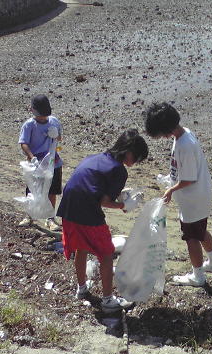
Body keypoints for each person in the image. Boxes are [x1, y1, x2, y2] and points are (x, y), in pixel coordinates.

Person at [56, 129, 148, 311]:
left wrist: (119, 196)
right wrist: (124, 206)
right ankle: (108, 300)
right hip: (87, 211)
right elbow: (104, 201)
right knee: (106, 254)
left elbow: (94, 185)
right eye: (136, 158)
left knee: (81, 248)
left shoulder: (95, 157)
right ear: (129, 152)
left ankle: (81, 289)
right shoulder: (119, 170)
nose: (135, 163)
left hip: (68, 207)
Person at [144, 102, 212, 287]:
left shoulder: (185, 146)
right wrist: (169, 179)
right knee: (200, 230)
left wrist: (171, 189)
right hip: (198, 196)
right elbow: (184, 171)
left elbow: (189, 179)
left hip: (192, 199)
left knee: (191, 237)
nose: (161, 137)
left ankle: (198, 276)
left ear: (165, 129)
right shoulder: (183, 134)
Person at [18, 94, 63, 230]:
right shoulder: (29, 125)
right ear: (32, 111)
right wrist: (32, 157)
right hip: (36, 164)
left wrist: (56, 135)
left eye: (44, 115)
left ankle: (50, 219)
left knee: (52, 191)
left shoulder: (54, 122)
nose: (42, 118)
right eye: (40, 115)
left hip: (52, 162)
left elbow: (59, 138)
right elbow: (23, 143)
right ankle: (30, 216)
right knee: (33, 190)